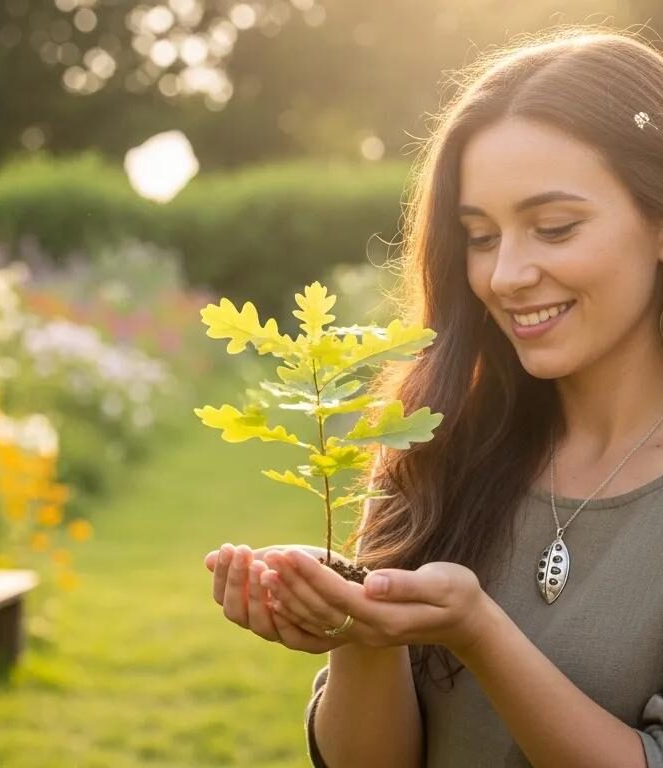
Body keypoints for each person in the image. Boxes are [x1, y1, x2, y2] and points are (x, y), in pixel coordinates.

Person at [204, 25, 663, 767]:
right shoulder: (439, 442)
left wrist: (479, 632)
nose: (506, 275)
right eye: (479, 236)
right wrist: (360, 629)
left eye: (553, 227)